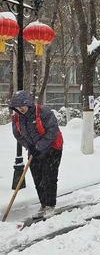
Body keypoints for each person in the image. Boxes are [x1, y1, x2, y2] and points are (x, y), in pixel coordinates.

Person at [9, 90, 63, 218]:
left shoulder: (44, 112)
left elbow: (53, 131)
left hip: (52, 148)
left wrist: (40, 146)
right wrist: (30, 146)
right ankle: (43, 204)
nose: (20, 109)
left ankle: (50, 205)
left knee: (48, 176)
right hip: (34, 150)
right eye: (17, 107)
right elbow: (17, 135)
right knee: (37, 177)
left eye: (22, 105)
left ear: (28, 103)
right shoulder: (17, 118)